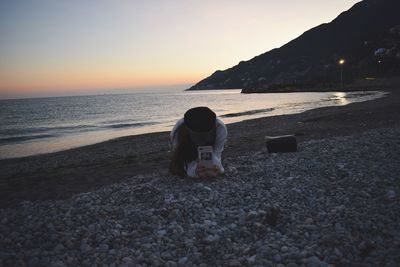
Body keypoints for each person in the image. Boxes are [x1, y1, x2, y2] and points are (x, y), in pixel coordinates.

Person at [169, 106, 227, 178]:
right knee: (178, 168)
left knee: (217, 167)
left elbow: (217, 154)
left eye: (204, 135)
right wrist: (194, 171)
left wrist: (216, 168)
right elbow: (182, 158)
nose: (201, 139)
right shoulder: (177, 131)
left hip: (211, 144)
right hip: (187, 144)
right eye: (198, 136)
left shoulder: (220, 128)